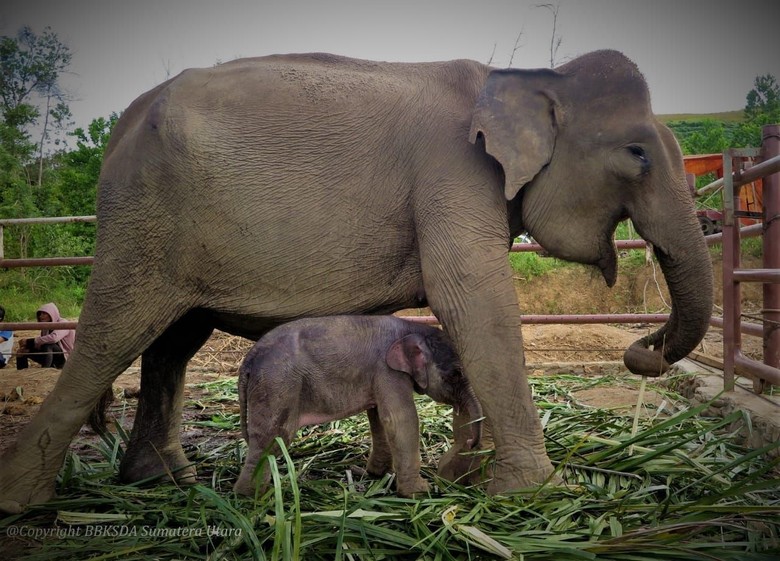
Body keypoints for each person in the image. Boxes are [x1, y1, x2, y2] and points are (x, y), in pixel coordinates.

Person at [16, 303, 75, 370]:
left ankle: (45, 370)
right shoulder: (46, 327)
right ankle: (21, 372)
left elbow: (54, 338)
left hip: (65, 357)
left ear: (52, 314)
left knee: (48, 345)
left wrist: (30, 341)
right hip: (50, 355)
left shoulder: (63, 323)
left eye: (44, 314)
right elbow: (42, 342)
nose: (41, 316)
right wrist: (28, 345)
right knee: (23, 351)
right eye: (40, 314)